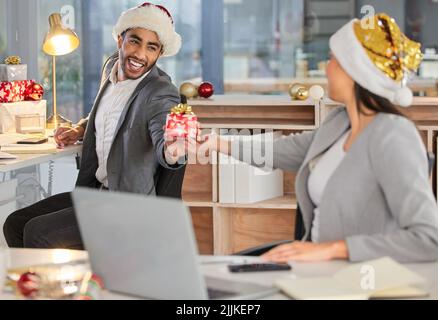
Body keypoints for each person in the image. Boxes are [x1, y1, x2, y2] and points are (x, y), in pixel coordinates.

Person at [198, 13, 438, 263]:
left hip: (359, 279)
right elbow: (284, 150)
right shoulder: (340, 122)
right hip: (316, 270)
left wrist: (334, 249)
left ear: (355, 71)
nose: (327, 66)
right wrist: (218, 143)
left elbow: (429, 238)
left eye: (334, 59)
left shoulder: (393, 136)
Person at [3, 2, 190, 249]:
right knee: (15, 223)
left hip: (129, 206)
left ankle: (67, 285)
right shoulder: (111, 68)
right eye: (134, 41)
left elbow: (163, 133)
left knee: (39, 233)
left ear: (159, 53)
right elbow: (107, 112)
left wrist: (172, 148)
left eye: (151, 47)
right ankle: (41, 286)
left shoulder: (161, 92)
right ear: (119, 40)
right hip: (96, 192)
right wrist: (80, 129)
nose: (140, 54)